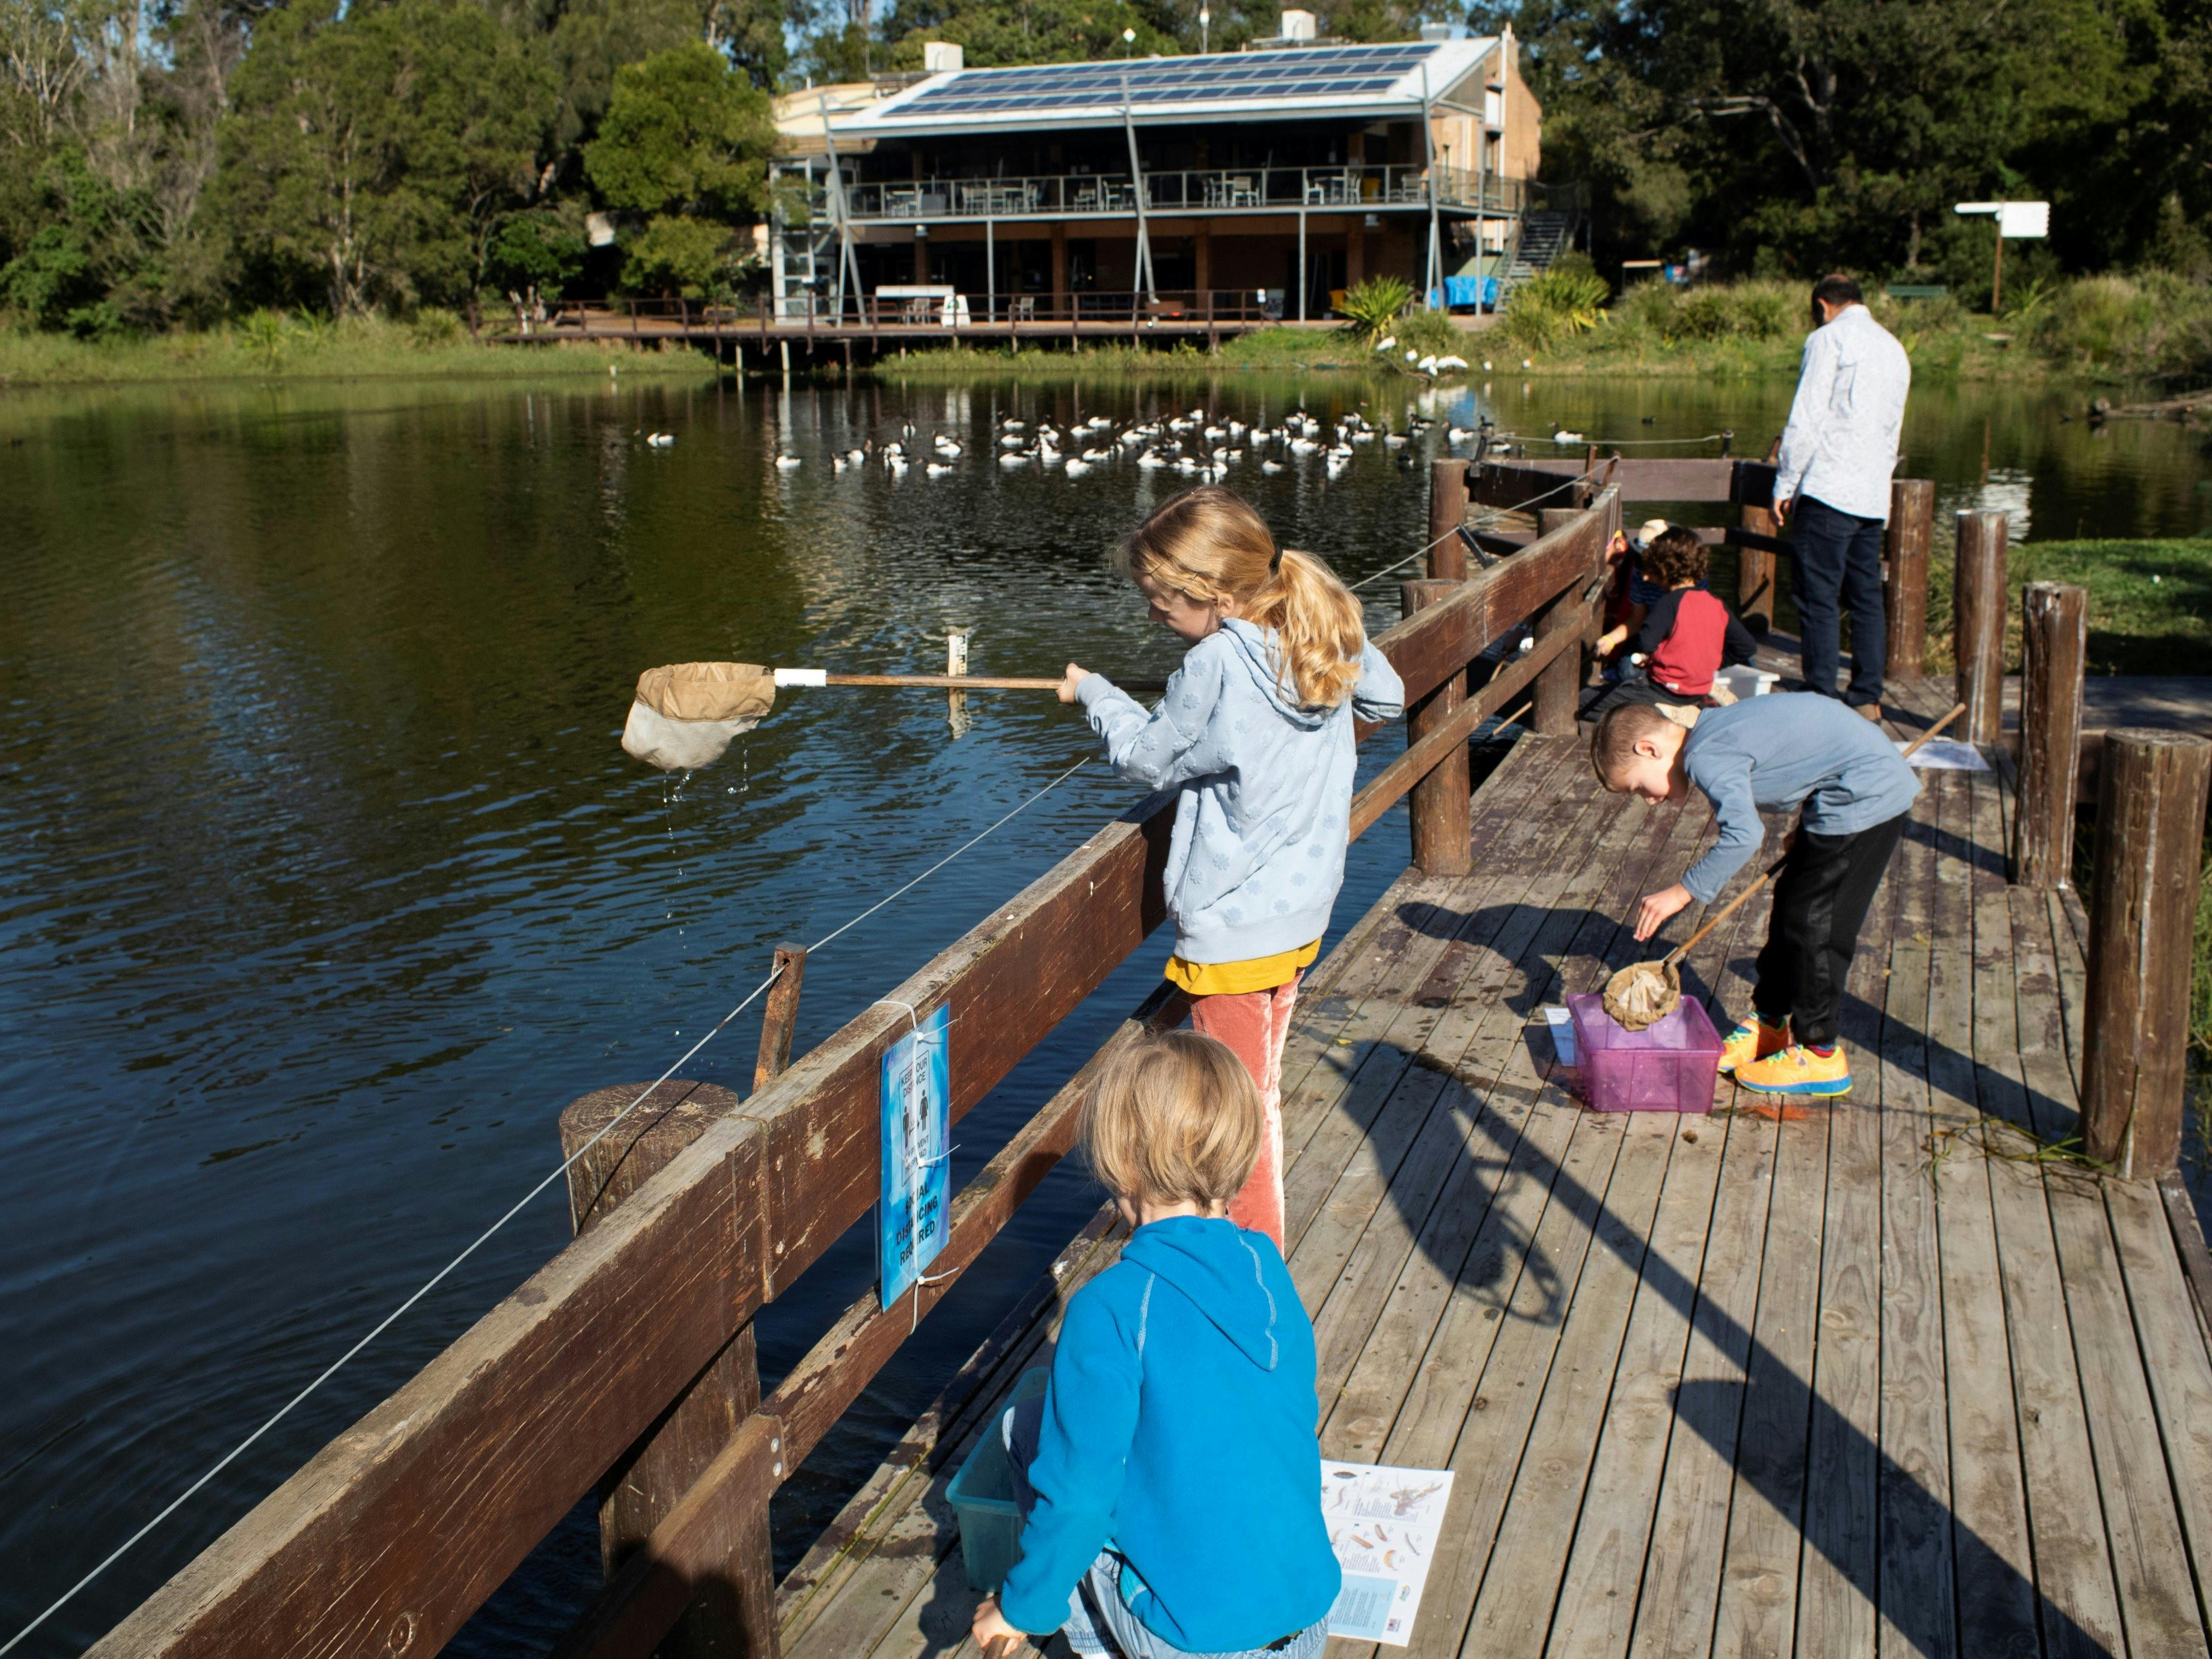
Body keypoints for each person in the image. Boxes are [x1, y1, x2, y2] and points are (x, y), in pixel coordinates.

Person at [1060, 486, 1404, 1248]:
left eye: (1158, 601)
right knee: (1261, 1087)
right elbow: (1385, 696)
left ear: (1210, 593)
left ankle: (1254, 1266)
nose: (1152, 616)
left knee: (1236, 1114)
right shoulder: (1315, 618)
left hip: (1235, 932)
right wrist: (1304, 749)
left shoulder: (1214, 661)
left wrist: (1093, 693)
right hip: (1304, 910)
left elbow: (1148, 760)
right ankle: (1249, 1254)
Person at [970, 1030, 1340, 1659]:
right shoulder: (1264, 1266)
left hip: (1194, 1643)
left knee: (1026, 1435)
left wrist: (1016, 1609)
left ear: (1123, 1163)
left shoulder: (1109, 1307)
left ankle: (1092, 1645)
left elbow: (1078, 1496)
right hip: (1306, 1618)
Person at [1588, 695, 1919, 1098]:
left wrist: (1682, 892)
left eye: (1640, 788)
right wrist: (1807, 827)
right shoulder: (1711, 732)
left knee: (1816, 924)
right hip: (1838, 795)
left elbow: (1744, 837)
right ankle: (1770, 1024)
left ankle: (1820, 1053)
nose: (1651, 800)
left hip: (1866, 798)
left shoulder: (1703, 757)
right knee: (1790, 912)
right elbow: (1802, 749)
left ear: (1649, 749)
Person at [1772, 272, 1911, 720]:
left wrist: (1785, 484)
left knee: (1818, 597)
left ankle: (1820, 695)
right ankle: (1868, 695)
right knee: (1866, 597)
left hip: (1829, 488)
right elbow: (1893, 429)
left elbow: (1807, 418)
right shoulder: (1894, 348)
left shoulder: (1828, 340)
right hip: (1872, 495)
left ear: (1821, 304)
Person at [1584, 525, 1758, 718]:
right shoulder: (1717, 604)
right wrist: (1713, 663)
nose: (1647, 576)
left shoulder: (1668, 602)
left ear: (1665, 569)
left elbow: (1646, 641)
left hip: (1665, 691)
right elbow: (1747, 647)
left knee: (1584, 701)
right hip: (1699, 689)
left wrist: (1651, 657)